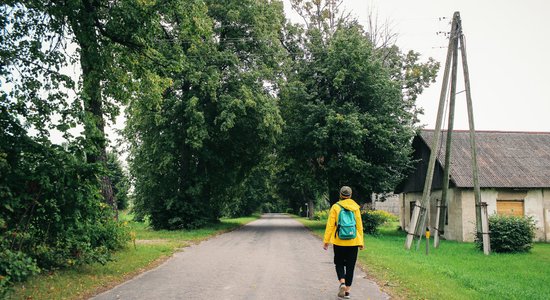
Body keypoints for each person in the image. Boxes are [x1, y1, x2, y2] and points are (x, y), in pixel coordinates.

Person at [323, 186, 364, 299]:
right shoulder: (355, 207)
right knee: (351, 266)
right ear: (350, 195)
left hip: (339, 241)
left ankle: (342, 282)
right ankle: (347, 292)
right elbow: (359, 226)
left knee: (339, 263)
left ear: (340, 195)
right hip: (353, 241)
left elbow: (330, 225)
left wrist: (326, 241)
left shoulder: (335, 207)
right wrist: (361, 242)